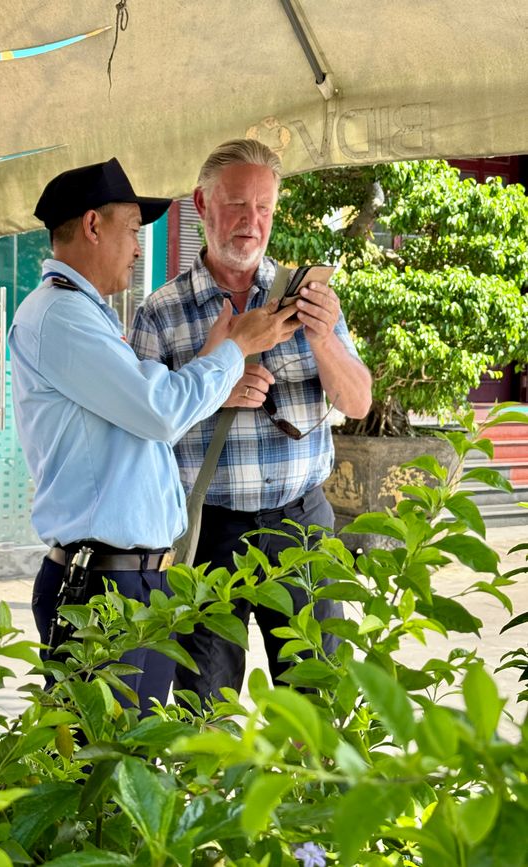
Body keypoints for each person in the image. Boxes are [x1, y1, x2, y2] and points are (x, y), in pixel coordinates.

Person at [8, 157, 301, 715]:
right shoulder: (61, 317)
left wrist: (218, 358)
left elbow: (148, 417)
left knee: (130, 760)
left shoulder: (82, 315)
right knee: (108, 773)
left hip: (131, 583)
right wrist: (234, 350)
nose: (139, 248)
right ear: (93, 226)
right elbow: (161, 410)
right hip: (103, 587)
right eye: (133, 232)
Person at [129, 139, 373, 702]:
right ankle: (213, 793)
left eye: (263, 208)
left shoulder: (309, 299)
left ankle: (312, 793)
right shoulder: (160, 313)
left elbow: (358, 402)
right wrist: (212, 385)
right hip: (209, 528)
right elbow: (139, 431)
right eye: (238, 205)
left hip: (302, 521)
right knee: (202, 700)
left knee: (319, 693)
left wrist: (322, 339)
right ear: (201, 204)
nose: (251, 222)